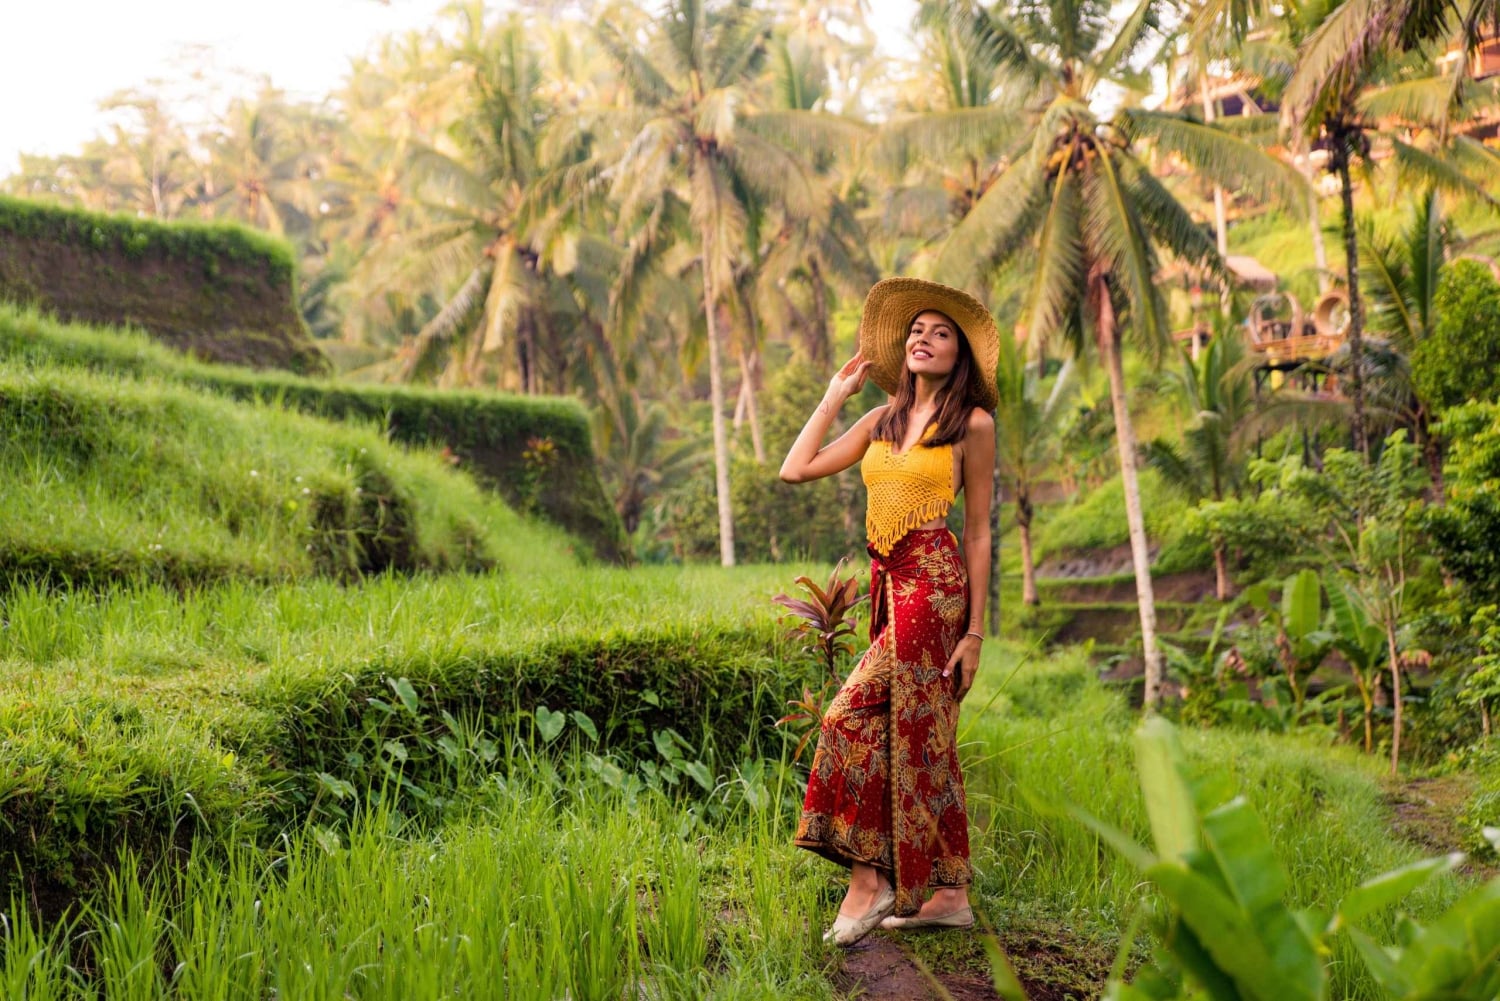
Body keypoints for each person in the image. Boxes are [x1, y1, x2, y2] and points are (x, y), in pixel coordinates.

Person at [779, 277, 998, 948]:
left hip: (933, 585)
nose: (923, 339)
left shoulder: (973, 425)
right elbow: (796, 468)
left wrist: (976, 632)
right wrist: (834, 396)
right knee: (925, 733)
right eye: (916, 331)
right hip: (888, 583)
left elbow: (979, 531)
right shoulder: (880, 421)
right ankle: (950, 894)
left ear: (959, 354)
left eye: (940, 332)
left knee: (845, 716)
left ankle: (869, 881)